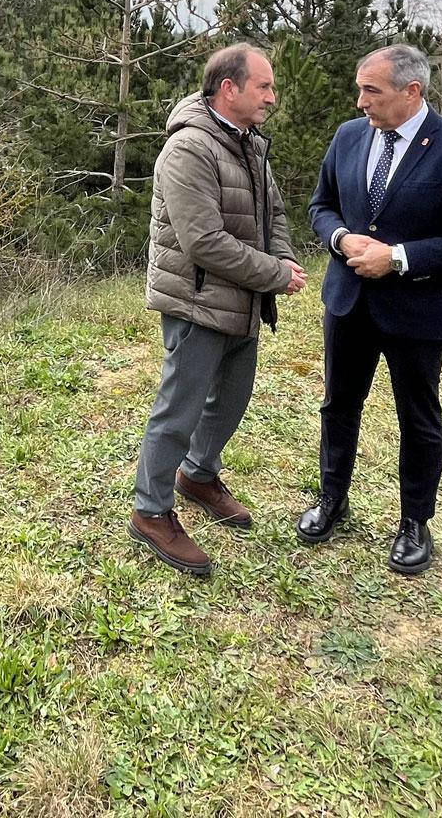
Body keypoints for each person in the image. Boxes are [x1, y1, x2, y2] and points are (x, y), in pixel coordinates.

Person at [298, 44, 442, 574]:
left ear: (413, 91)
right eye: (360, 88)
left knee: (418, 416)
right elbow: (321, 206)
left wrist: (400, 258)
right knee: (339, 404)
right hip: (348, 301)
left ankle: (415, 521)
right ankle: (332, 498)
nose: (360, 101)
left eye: (372, 90)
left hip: (418, 310)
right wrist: (340, 239)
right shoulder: (348, 136)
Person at [131, 42, 307, 577]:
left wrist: (285, 256)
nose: (272, 97)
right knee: (178, 410)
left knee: (230, 400)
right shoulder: (189, 149)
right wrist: (276, 274)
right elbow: (202, 241)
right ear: (228, 88)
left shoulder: (249, 142)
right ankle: (151, 510)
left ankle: (199, 476)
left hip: (241, 301)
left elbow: (272, 210)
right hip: (196, 301)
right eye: (264, 87)